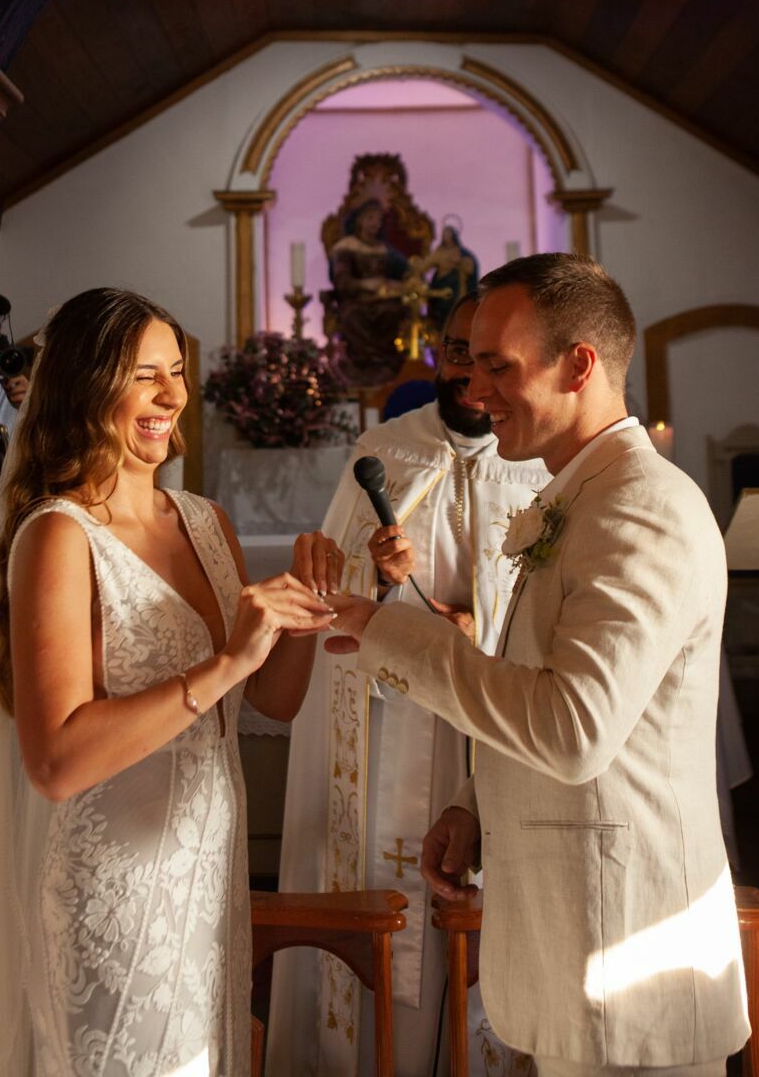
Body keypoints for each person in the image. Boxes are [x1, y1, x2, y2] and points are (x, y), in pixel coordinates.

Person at [325, 255, 750, 1077]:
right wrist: (475, 801)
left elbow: (572, 729)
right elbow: (556, 683)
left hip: (628, 955)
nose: (472, 390)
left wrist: (393, 632)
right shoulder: (577, 496)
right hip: (578, 945)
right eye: (470, 362)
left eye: (497, 366)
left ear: (578, 364)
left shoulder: (639, 511)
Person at [0, 287, 342, 1077]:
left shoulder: (205, 521)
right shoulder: (58, 538)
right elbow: (57, 762)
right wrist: (225, 663)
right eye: (145, 376)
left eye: (175, 372)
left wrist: (302, 616)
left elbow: (272, 701)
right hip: (110, 893)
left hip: (207, 879)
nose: (173, 395)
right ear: (86, 386)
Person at [266, 295, 548, 1077]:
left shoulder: (541, 460)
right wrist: (387, 586)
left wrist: (472, 625)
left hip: (497, 719)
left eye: (485, 356)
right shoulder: (385, 453)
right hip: (398, 722)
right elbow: (336, 595)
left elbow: (553, 603)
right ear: (436, 355)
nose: (468, 371)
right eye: (455, 351)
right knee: (396, 889)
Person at [329, 199, 410, 385]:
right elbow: (342, 281)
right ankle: (361, 364)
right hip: (355, 299)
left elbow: (407, 270)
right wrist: (366, 284)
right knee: (354, 315)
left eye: (379, 219)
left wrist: (399, 283)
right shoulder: (346, 247)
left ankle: (385, 363)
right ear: (360, 220)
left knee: (392, 311)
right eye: (371, 218)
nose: (375, 223)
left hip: (383, 299)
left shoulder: (384, 250)